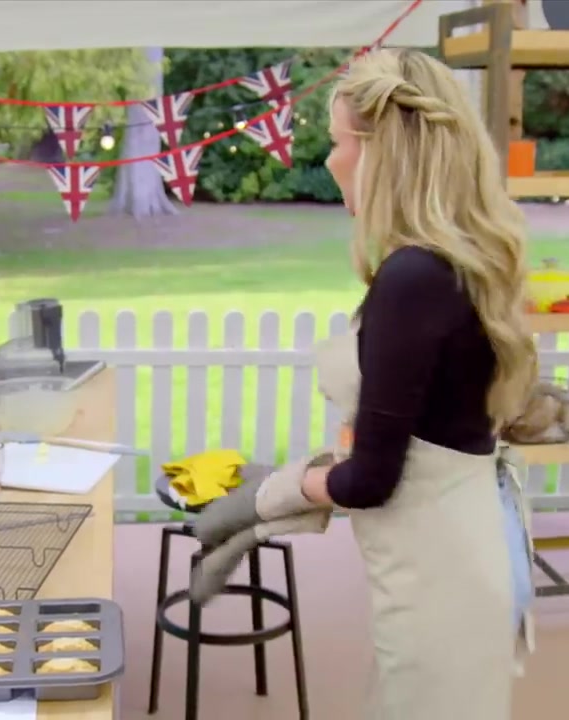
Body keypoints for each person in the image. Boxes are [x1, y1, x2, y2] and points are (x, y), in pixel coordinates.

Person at [191, 48, 538, 720]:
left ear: (384, 151)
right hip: (461, 551)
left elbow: (372, 479)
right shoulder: (453, 267)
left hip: (439, 576)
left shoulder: (413, 279)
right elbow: (415, 430)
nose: (330, 162)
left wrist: (268, 497)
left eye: (339, 142)